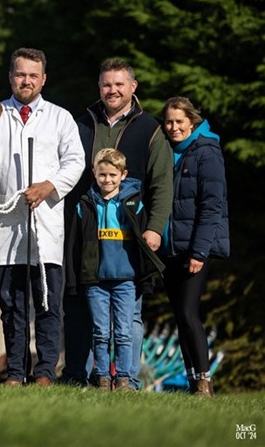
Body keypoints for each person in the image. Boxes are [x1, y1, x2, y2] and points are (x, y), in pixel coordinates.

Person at [0, 48, 85, 386]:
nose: (26, 81)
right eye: (20, 74)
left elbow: (75, 161)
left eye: (33, 75)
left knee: (47, 303)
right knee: (11, 305)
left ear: (43, 79)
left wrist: (49, 185)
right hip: (5, 224)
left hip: (46, 225)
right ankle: (16, 372)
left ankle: (46, 371)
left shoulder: (60, 117)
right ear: (10, 78)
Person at [61, 59, 173, 390]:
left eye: (119, 84)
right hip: (84, 234)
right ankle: (78, 375)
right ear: (99, 87)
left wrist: (154, 227)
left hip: (129, 239)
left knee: (130, 316)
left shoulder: (150, 128)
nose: (113, 90)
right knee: (80, 307)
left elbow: (162, 183)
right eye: (107, 84)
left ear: (133, 87)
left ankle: (127, 379)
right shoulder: (81, 123)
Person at [66, 148, 164, 391]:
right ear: (94, 174)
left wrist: (145, 275)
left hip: (126, 280)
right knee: (100, 332)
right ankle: (101, 377)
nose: (107, 180)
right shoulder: (85, 205)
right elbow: (75, 246)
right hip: (95, 281)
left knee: (123, 332)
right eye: (102, 175)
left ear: (123, 174)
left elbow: (143, 244)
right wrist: (75, 277)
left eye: (112, 175)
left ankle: (124, 379)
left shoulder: (135, 204)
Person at [160, 97, 229, 397]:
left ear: (192, 121)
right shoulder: (165, 152)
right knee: (179, 316)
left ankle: (204, 382)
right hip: (170, 249)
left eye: (179, 121)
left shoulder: (207, 152)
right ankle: (191, 381)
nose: (174, 127)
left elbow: (212, 206)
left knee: (189, 314)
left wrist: (199, 252)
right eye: (169, 122)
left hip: (195, 249)